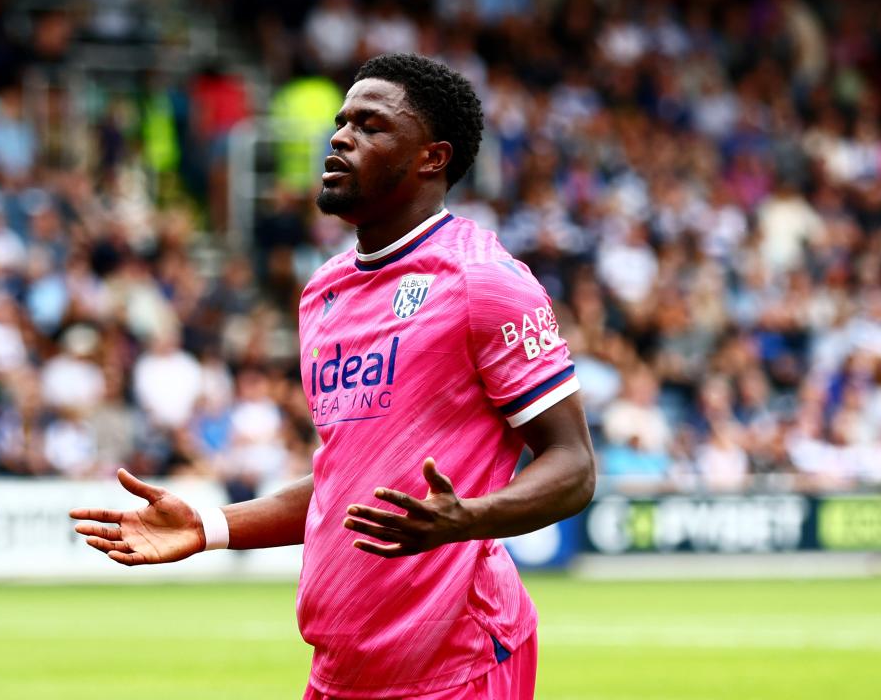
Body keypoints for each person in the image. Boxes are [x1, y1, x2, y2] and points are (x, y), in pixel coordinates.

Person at [71, 53, 596, 700]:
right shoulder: (323, 290)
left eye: (372, 126)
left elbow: (574, 466)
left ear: (432, 158)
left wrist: (468, 519)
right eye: (342, 121)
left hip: (457, 664)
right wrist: (211, 527)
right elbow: (344, 479)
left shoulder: (483, 284)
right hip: (342, 670)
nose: (341, 136)